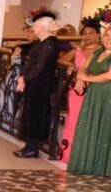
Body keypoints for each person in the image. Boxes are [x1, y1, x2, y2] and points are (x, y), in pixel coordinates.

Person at [14, 11, 61, 158]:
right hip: (35, 81)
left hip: (41, 84)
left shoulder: (50, 43)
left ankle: (32, 147)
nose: (33, 28)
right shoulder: (42, 42)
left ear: (43, 27)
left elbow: (40, 66)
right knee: (30, 112)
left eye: (35, 25)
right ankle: (30, 146)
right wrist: (24, 77)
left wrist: (24, 78)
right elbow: (33, 64)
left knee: (36, 113)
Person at [67, 26, 111, 176]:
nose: (108, 39)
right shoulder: (99, 51)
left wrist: (87, 78)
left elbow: (109, 76)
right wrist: (80, 77)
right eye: (107, 36)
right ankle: (89, 164)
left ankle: (102, 167)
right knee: (91, 126)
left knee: (104, 128)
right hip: (94, 94)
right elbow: (83, 66)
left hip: (108, 96)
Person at [61, 19, 101, 163]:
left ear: (98, 35)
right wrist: (71, 64)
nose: (88, 36)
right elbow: (61, 59)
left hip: (93, 89)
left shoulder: (102, 51)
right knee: (73, 118)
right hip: (75, 90)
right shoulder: (78, 50)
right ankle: (69, 153)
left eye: (91, 33)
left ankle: (83, 155)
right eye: (85, 33)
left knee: (87, 120)